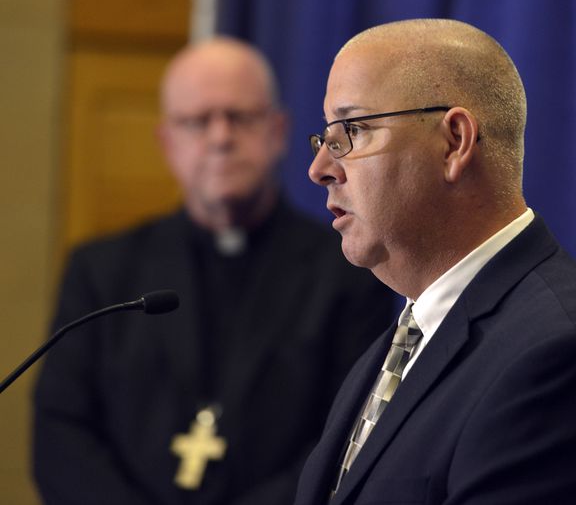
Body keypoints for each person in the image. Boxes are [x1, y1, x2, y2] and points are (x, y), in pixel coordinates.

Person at [295, 19, 576, 505]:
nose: (320, 169)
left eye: (352, 129)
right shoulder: (403, 343)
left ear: (454, 142)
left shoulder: (563, 360)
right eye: (326, 137)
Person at [33, 37, 395, 505]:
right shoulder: (101, 272)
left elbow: (345, 435)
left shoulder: (347, 268)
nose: (221, 137)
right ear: (167, 142)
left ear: (278, 131)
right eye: (198, 121)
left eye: (240, 118)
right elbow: (61, 435)